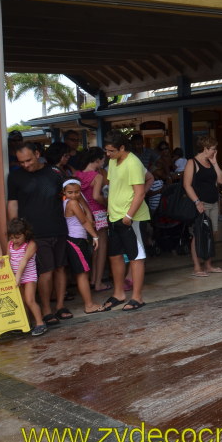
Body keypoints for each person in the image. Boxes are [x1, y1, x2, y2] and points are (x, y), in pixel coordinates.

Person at [7, 142, 71, 326]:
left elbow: (67, 196)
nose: (25, 165)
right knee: (46, 272)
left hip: (58, 228)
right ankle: (46, 310)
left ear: (37, 154)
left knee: (60, 268)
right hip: (34, 234)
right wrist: (15, 230)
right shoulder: (15, 176)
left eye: (28, 160)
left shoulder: (54, 172)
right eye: (21, 162)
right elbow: (12, 203)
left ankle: (60, 306)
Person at [101, 130, 150, 312]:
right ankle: (119, 293)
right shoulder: (113, 161)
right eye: (106, 150)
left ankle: (137, 297)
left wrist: (128, 216)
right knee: (115, 255)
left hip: (131, 218)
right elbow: (113, 186)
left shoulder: (133, 163)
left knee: (136, 257)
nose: (108, 154)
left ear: (122, 148)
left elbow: (140, 192)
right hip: (114, 216)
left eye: (111, 151)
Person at [182, 135, 222, 276]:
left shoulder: (211, 162)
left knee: (211, 234)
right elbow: (187, 185)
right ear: (205, 148)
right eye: (213, 149)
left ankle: (208, 265)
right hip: (201, 203)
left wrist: (215, 163)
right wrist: (197, 202)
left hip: (213, 202)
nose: (215, 151)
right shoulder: (192, 162)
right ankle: (197, 267)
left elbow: (220, 180)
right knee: (199, 235)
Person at [61, 179, 102, 314]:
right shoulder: (72, 203)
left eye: (77, 192)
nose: (74, 195)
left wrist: (81, 199)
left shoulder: (74, 201)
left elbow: (87, 215)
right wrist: (95, 236)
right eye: (70, 192)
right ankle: (89, 305)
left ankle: (89, 303)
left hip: (77, 240)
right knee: (82, 274)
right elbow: (84, 221)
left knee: (82, 273)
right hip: (76, 240)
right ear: (64, 192)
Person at [74, 147, 110, 292]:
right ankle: (98, 282)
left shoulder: (77, 175)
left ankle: (92, 278)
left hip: (83, 213)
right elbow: (96, 196)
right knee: (101, 248)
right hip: (98, 212)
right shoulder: (97, 176)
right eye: (103, 159)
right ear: (97, 160)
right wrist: (108, 203)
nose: (103, 162)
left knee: (92, 247)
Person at [7, 218, 46, 336]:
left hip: (29, 277)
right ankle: (25, 323)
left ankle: (40, 323)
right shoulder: (9, 244)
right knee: (22, 301)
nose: (14, 240)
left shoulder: (31, 245)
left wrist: (18, 277)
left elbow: (24, 260)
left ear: (26, 234)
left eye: (17, 237)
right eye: (12, 237)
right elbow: (8, 258)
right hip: (16, 278)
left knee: (30, 300)